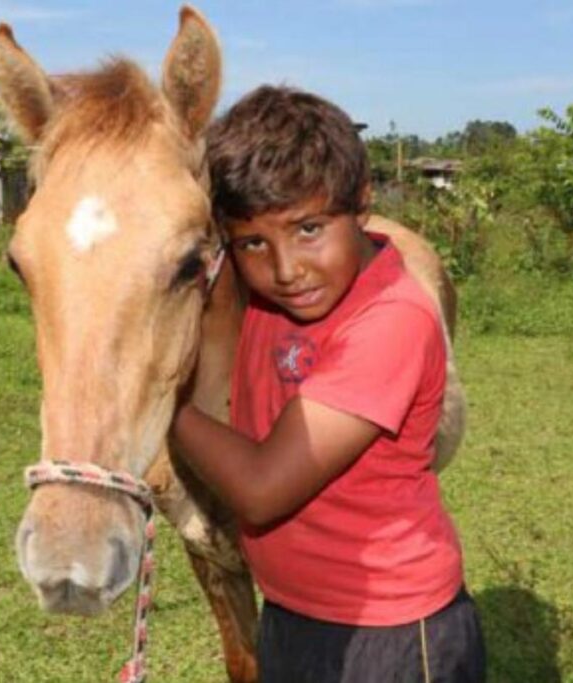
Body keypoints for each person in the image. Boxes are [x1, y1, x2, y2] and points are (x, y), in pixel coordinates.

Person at [170, 86, 485, 682]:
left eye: (310, 228)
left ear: (362, 203)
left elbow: (263, 489)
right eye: (255, 242)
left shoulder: (390, 322)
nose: (287, 270)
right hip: (293, 613)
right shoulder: (267, 292)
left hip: (391, 633)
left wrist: (158, 399)